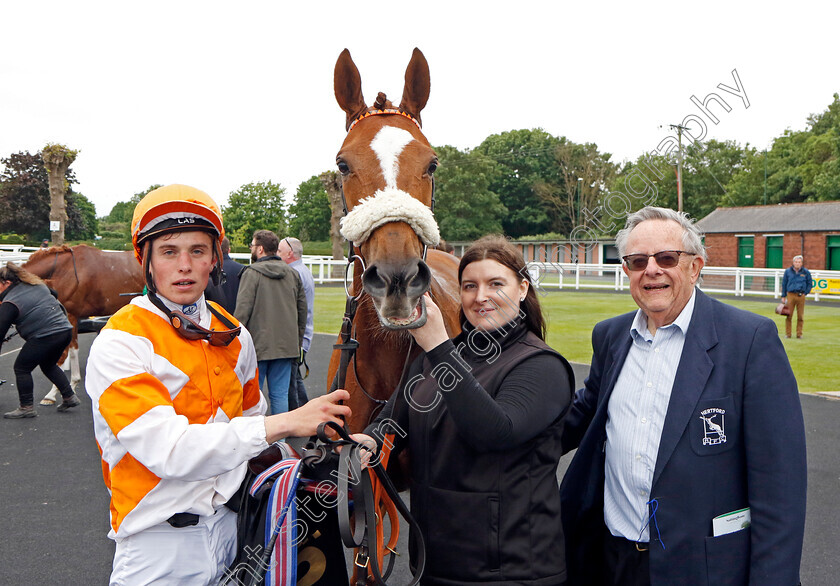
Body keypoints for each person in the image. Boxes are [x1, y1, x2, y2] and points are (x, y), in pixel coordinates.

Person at [84, 184, 350, 585]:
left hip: (236, 530)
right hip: (157, 547)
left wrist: (335, 454)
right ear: (148, 262)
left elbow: (250, 432)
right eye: (169, 252)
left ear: (215, 260)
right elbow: (170, 451)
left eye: (198, 251)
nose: (184, 265)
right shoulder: (121, 341)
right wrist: (287, 422)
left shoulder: (235, 334)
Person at [560, 207, 807, 586]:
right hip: (611, 561)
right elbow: (579, 418)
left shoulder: (749, 340)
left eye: (667, 258)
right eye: (638, 260)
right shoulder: (609, 338)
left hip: (702, 569)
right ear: (626, 270)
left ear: (695, 267)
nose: (652, 270)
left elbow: (780, 488)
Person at [355, 235, 574, 585]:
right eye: (470, 286)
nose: (480, 296)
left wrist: (440, 349)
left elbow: (494, 432)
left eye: (495, 284)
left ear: (522, 289)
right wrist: (365, 442)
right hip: (434, 562)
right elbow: (393, 424)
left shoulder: (541, 366)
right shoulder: (434, 359)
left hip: (511, 571)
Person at [235, 230, 306, 415]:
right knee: (280, 396)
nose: (251, 248)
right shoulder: (293, 274)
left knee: (252, 397)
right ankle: (280, 441)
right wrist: (296, 343)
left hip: (257, 347)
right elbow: (302, 312)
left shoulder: (251, 273)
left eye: (252, 245)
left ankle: (254, 440)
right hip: (285, 346)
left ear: (260, 249)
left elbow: (242, 312)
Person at [0, 262, 81, 418]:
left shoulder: (10, 302)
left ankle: (26, 407)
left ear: (7, 283)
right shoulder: (36, 285)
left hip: (46, 336)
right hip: (64, 331)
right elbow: (55, 294)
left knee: (21, 368)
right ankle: (69, 397)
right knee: (48, 364)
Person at [278, 236, 314, 409]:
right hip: (301, 335)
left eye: (279, 251)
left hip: (296, 336)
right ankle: (307, 413)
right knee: (295, 380)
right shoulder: (302, 270)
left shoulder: (295, 273)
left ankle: (300, 419)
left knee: (291, 383)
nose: (277, 254)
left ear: (290, 253)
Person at [204, 236, 246, 313]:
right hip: (236, 318)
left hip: (215, 318)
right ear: (229, 250)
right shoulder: (243, 270)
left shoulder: (206, 270)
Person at [781, 254, 813, 339]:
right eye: (796, 262)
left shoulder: (806, 272)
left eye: (799, 262)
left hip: (801, 296)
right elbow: (784, 283)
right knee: (788, 315)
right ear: (793, 262)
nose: (797, 263)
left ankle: (799, 334)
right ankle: (788, 334)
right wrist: (783, 296)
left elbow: (810, 283)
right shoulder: (788, 271)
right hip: (790, 295)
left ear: (801, 263)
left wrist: (805, 292)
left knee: (800, 316)